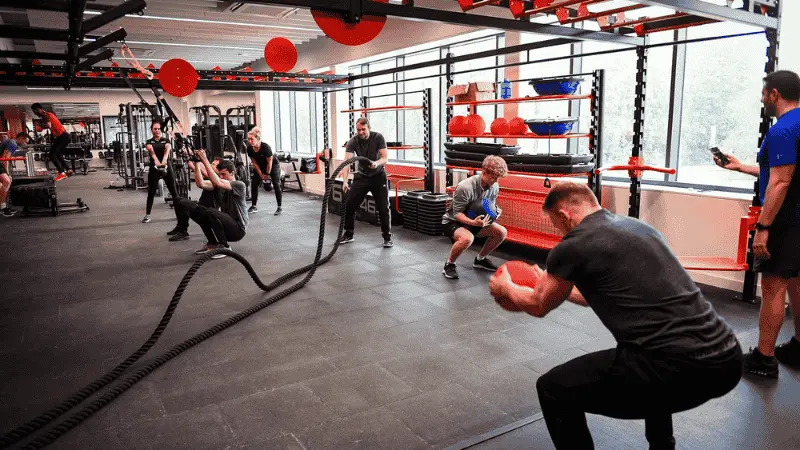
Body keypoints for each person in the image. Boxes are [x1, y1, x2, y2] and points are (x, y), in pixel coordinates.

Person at [489, 182, 743, 450]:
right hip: (726, 360)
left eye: (556, 224)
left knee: (554, 389)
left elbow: (539, 305)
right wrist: (551, 285)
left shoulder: (574, 245)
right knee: (647, 352)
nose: (559, 231)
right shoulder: (638, 228)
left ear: (565, 215)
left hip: (673, 370)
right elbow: (591, 295)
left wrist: (507, 288)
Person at [713, 69, 800, 378]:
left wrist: (763, 229)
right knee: (796, 282)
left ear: (774, 94)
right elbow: (777, 170)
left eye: (765, 93)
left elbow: (780, 183)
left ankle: (764, 358)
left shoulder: (782, 130)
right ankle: (799, 347)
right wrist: (741, 167)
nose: (762, 98)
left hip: (785, 220)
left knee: (773, 286)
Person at [169, 149, 247, 258]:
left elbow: (218, 181)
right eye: (220, 174)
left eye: (224, 174)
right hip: (226, 227)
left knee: (210, 211)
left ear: (232, 173)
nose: (221, 177)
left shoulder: (239, 185)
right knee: (195, 211)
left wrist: (204, 159)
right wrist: (197, 163)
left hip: (238, 229)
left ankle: (224, 247)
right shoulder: (219, 186)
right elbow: (200, 183)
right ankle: (213, 243)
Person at [441, 155, 508, 279]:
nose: (495, 181)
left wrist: (495, 212)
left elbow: (489, 205)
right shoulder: (465, 187)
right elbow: (457, 214)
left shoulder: (494, 186)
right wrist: (473, 223)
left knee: (501, 232)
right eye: (493, 177)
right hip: (453, 221)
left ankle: (480, 260)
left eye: (498, 178)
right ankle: (449, 264)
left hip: (476, 220)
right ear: (484, 172)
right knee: (467, 238)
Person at [339, 117, 392, 248]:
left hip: (378, 176)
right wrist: (345, 181)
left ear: (369, 127)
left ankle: (387, 237)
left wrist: (376, 163)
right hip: (361, 176)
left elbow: (385, 157)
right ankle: (349, 234)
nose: (361, 132)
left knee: (383, 208)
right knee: (349, 205)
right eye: (358, 130)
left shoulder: (378, 137)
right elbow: (346, 162)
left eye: (363, 129)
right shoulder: (353, 140)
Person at [143, 119, 179, 224]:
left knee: (174, 192)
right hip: (154, 168)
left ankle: (179, 214)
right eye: (155, 129)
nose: (157, 130)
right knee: (151, 192)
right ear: (152, 130)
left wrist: (164, 160)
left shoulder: (166, 140)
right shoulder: (149, 142)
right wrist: (156, 160)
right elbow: (151, 151)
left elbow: (167, 150)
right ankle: (147, 215)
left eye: (158, 129)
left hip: (166, 167)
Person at [245, 127, 282, 215]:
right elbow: (254, 162)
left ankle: (279, 207)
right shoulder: (249, 149)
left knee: (276, 184)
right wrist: (261, 175)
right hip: (260, 166)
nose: (249, 141)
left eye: (251, 139)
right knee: (254, 183)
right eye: (248, 139)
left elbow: (270, 162)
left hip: (273, 166)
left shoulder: (266, 147)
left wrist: (267, 175)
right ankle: (254, 206)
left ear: (257, 139)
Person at [31, 103, 70, 181]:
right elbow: (49, 126)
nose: (35, 113)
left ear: (39, 109)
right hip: (62, 136)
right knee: (58, 154)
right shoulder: (47, 115)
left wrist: (40, 127)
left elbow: (48, 125)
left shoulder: (47, 115)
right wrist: (41, 127)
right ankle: (68, 170)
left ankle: (62, 173)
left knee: (52, 155)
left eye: (35, 111)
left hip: (63, 136)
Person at [0, 132, 29, 217]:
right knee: (7, 181)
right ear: (21, 138)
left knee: (6, 183)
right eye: (24, 141)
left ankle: (3, 206)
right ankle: (3, 207)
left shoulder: (12, 143)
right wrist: (7, 173)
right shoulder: (12, 144)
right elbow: (5, 159)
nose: (25, 143)